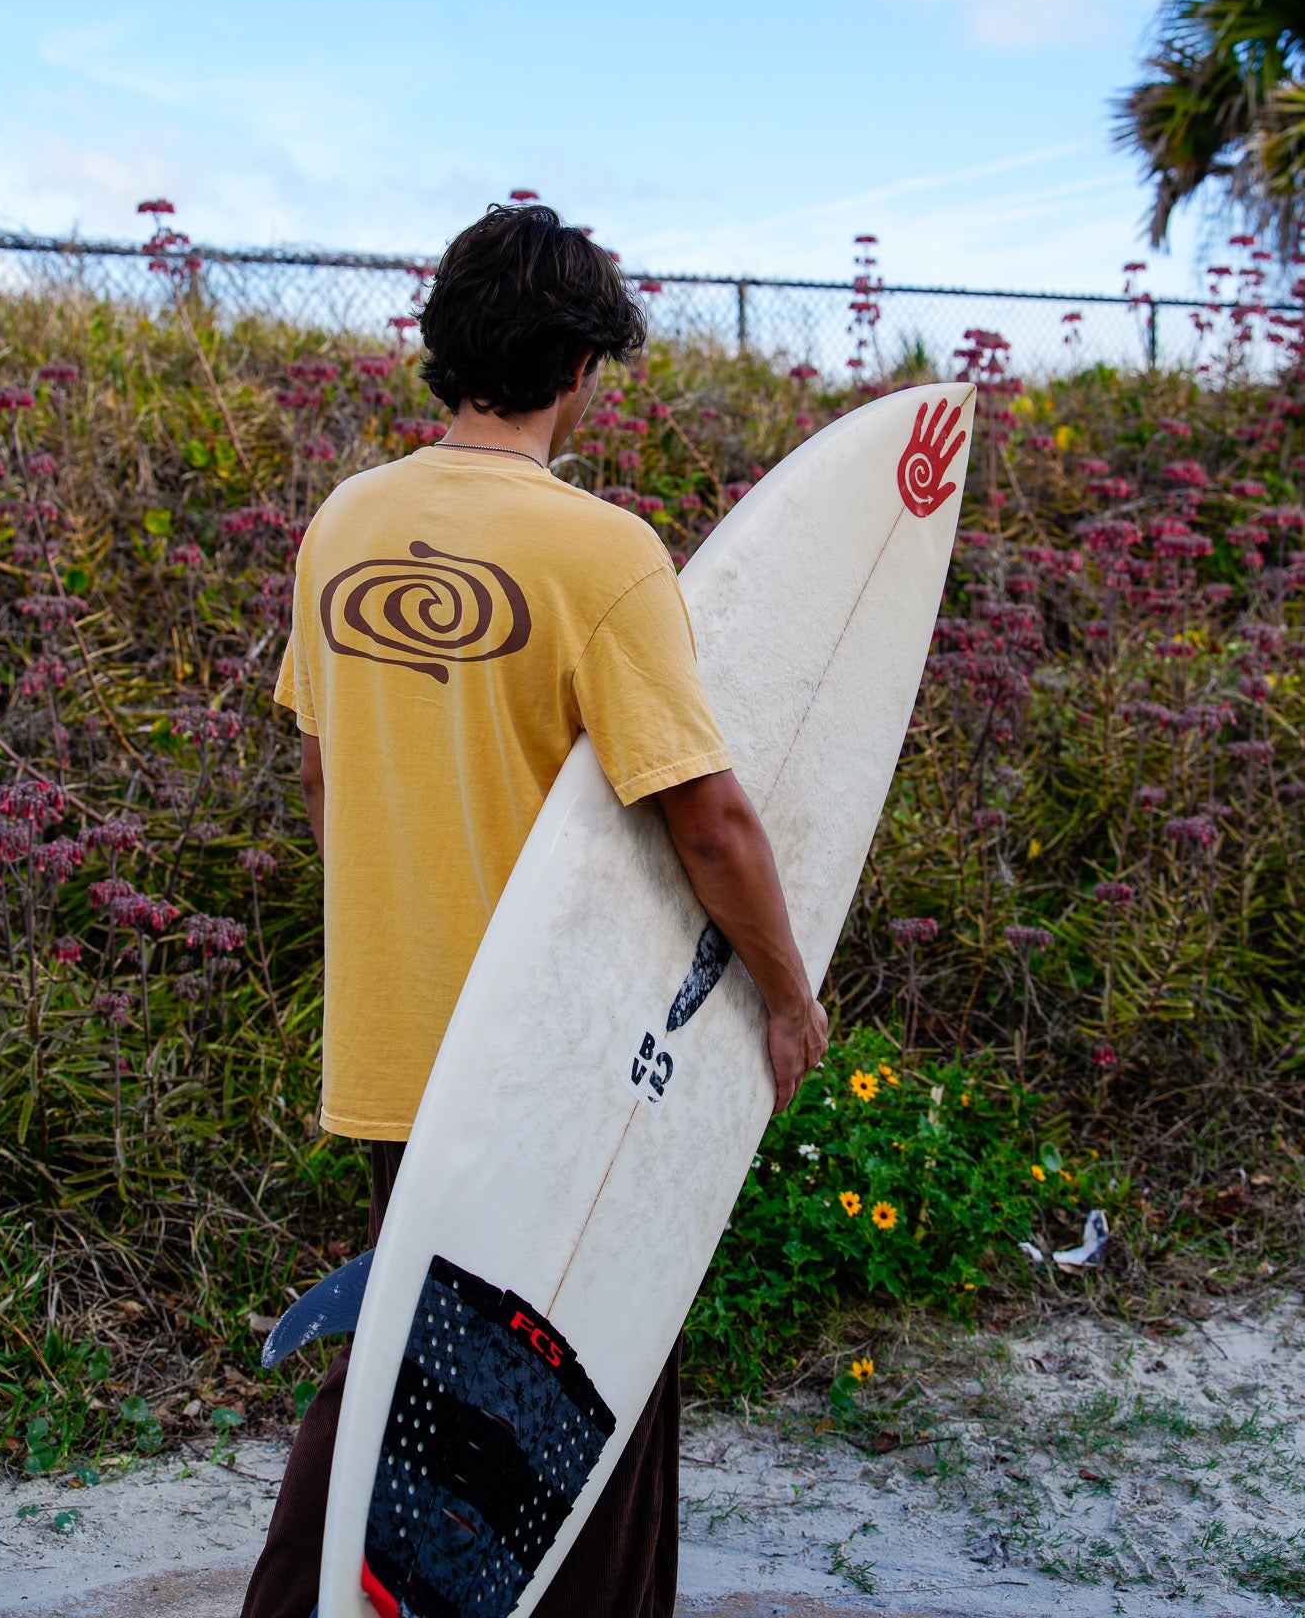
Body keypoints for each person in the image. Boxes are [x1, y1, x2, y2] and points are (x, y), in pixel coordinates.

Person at [241, 203, 828, 1618]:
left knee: (399, 1363)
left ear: (447, 351)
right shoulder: (601, 555)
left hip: (395, 1045)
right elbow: (709, 817)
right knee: (591, 1391)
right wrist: (787, 993)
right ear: (577, 365)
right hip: (558, 1069)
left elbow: (326, 778)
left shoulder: (347, 522)